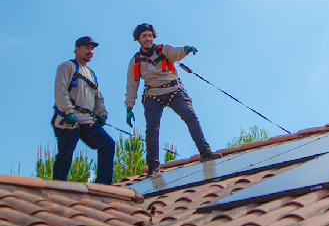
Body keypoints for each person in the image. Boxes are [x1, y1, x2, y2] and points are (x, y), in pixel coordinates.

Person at [125, 23, 222, 178]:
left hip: (174, 90)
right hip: (153, 95)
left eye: (150, 35)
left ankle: (205, 152)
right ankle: (153, 167)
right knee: (152, 128)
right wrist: (129, 107)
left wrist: (187, 49)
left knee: (190, 116)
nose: (148, 39)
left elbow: (176, 52)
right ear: (138, 39)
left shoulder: (164, 49)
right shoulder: (135, 62)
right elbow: (132, 85)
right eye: (144, 36)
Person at [52, 36, 115, 185]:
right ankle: (57, 187)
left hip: (86, 119)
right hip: (67, 118)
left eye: (92, 49)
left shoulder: (92, 74)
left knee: (108, 144)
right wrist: (68, 111)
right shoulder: (67, 67)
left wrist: (102, 114)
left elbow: (98, 98)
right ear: (77, 49)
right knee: (65, 154)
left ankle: (103, 185)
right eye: (86, 47)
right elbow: (60, 91)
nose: (90, 51)